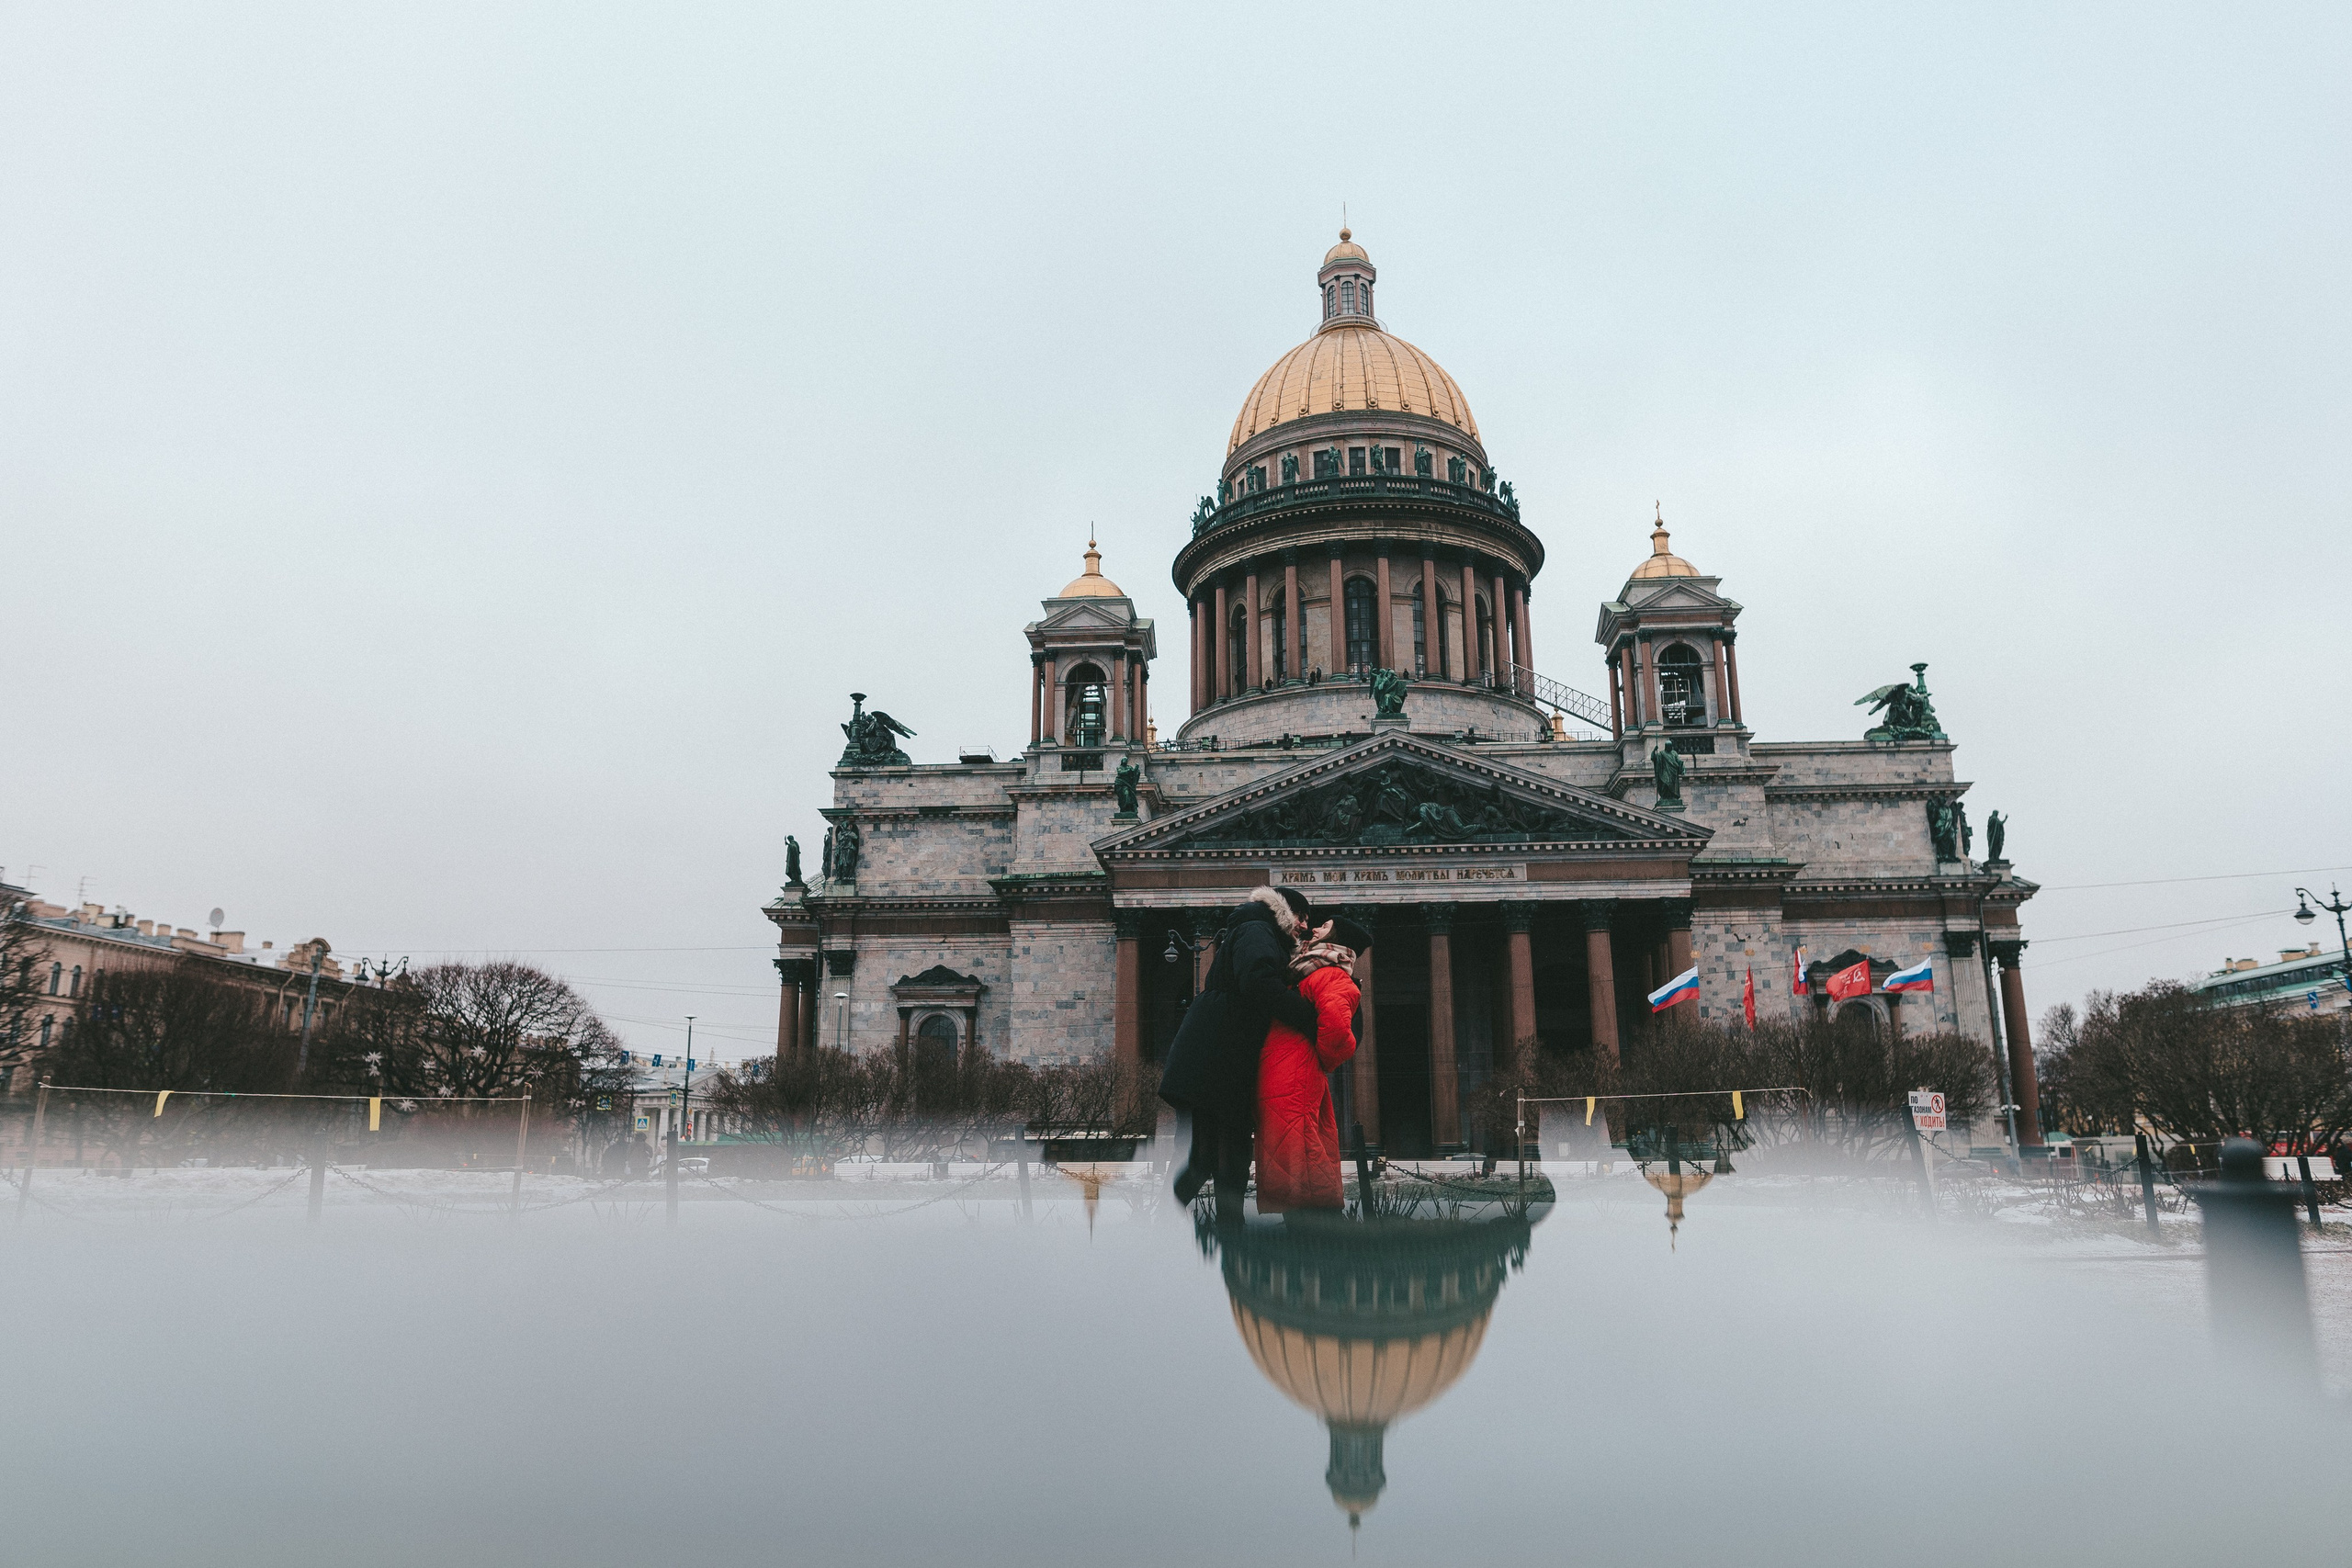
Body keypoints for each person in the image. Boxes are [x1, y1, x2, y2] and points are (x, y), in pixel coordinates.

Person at [1159, 886, 1319, 1215]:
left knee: (1220, 1157)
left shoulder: (1256, 930)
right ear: (1285, 911)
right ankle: (1169, 1232)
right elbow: (1258, 982)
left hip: (1216, 1061)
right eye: (1301, 917)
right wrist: (1308, 1017)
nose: (1304, 926)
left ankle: (1183, 1233)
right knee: (1209, 1157)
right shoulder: (1257, 929)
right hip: (1215, 1062)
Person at [1255, 916, 1372, 1213]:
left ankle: (1318, 1226)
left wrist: (1322, 1059)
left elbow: (1338, 1034)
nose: (1315, 928)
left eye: (1325, 927)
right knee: (1293, 1144)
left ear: (1336, 940)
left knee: (1301, 1144)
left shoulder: (1331, 974)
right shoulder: (1310, 972)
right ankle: (1309, 1226)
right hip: (1286, 1069)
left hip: (1293, 1070)